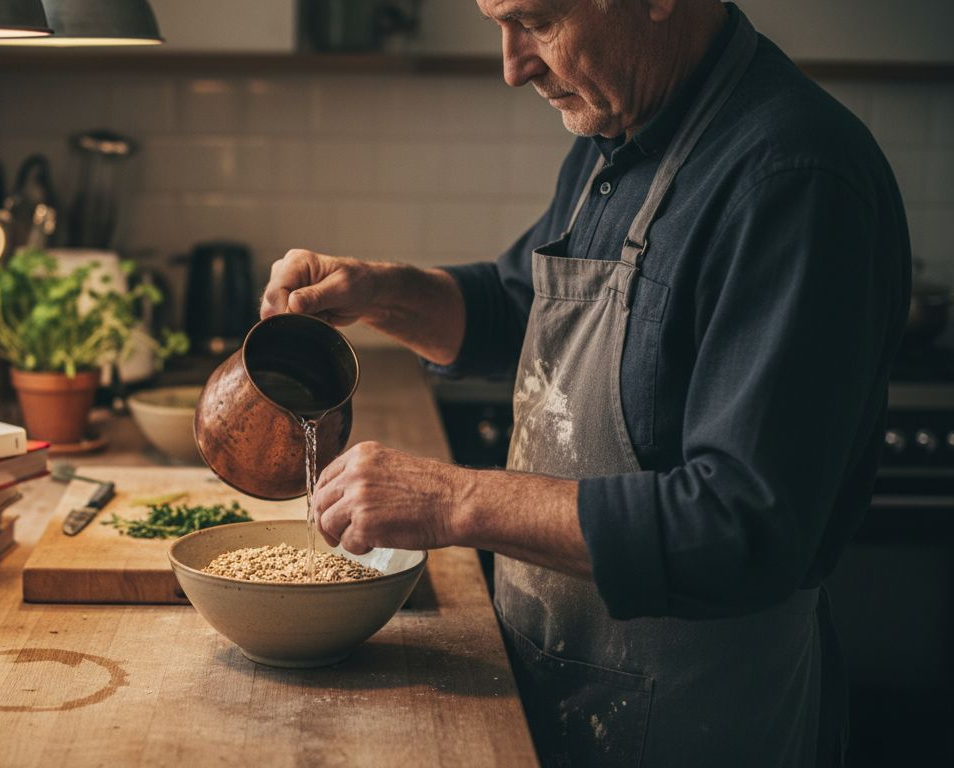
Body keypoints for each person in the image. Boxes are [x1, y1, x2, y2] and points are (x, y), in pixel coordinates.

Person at [260, 1, 909, 765]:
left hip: (697, 725)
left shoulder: (795, 176)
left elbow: (745, 529)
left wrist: (453, 500)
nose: (513, 66)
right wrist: (379, 291)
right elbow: (519, 308)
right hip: (560, 688)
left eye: (536, 21)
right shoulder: (619, 131)